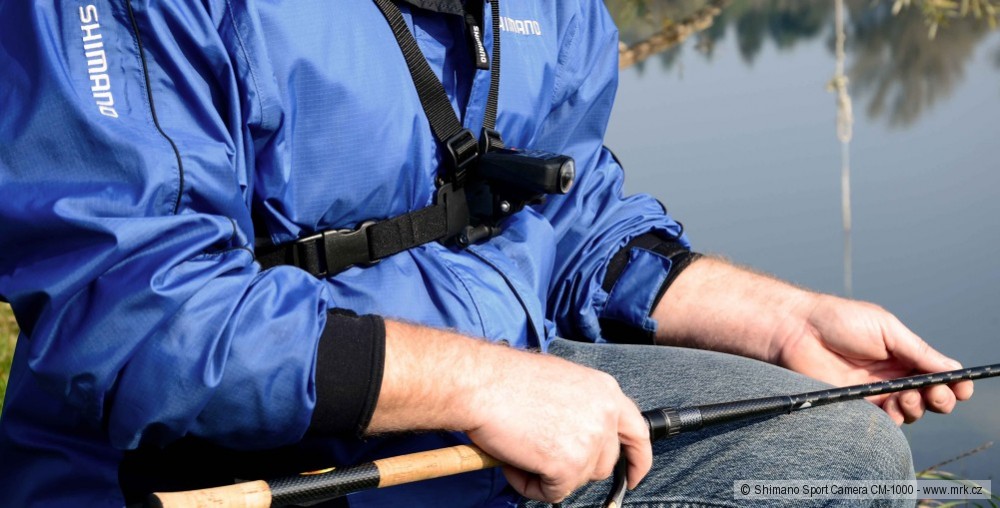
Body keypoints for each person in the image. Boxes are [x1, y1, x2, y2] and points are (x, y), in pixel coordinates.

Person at [0, 1, 973, 507]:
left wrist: (781, 321)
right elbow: (135, 310)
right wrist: (482, 386)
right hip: (220, 473)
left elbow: (570, 213)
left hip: (490, 449)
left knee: (832, 454)